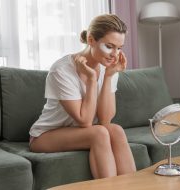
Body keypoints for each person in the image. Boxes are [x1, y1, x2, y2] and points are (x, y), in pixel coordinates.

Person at [29, 14, 136, 179]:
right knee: (99, 133)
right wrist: (92, 79)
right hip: (45, 135)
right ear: (91, 40)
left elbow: (105, 120)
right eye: (109, 46)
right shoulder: (62, 70)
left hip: (79, 132)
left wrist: (108, 76)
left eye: (119, 48)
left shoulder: (109, 66)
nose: (115, 54)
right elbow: (85, 120)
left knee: (116, 130)